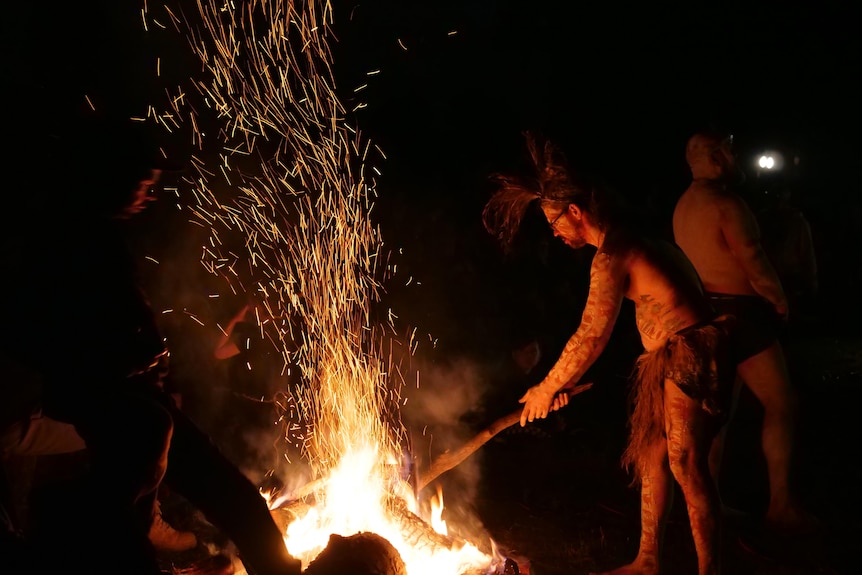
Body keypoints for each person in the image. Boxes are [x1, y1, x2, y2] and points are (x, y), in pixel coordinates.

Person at [3, 115, 302, 575]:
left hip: (123, 394)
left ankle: (260, 560)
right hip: (102, 398)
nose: (151, 193)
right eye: (144, 182)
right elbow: (54, 335)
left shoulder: (88, 233)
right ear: (106, 178)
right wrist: (138, 367)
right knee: (165, 456)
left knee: (220, 487)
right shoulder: (64, 241)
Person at [482, 132, 737, 575]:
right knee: (653, 456)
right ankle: (648, 560)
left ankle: (710, 571)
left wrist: (545, 388)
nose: (556, 234)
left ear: (576, 212)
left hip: (692, 354)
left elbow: (590, 336)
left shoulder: (614, 253)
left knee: (685, 462)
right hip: (670, 356)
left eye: (555, 223)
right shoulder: (623, 241)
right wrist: (554, 388)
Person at [672, 130, 816, 535]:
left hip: (703, 313)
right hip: (741, 314)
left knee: (719, 414)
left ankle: (709, 501)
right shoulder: (726, 203)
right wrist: (779, 300)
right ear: (717, 157)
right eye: (730, 151)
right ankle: (781, 505)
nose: (735, 158)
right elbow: (753, 261)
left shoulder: (684, 205)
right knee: (781, 402)